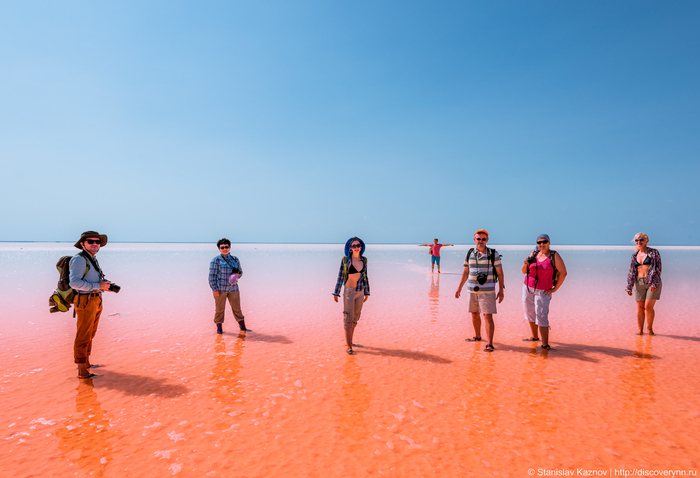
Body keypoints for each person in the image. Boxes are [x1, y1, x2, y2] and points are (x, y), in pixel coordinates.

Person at [69, 231, 116, 379]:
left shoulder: (91, 258)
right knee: (83, 336)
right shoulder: (79, 259)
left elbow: (91, 280)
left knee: (91, 333)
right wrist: (97, 285)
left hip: (95, 298)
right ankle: (82, 372)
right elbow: (74, 282)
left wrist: (103, 285)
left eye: (97, 241)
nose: (95, 244)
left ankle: (87, 363)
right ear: (82, 244)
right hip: (85, 300)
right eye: (91, 241)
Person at [455, 230, 504, 352]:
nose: (480, 241)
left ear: (487, 240)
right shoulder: (470, 253)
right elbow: (466, 272)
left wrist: (501, 291)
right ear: (474, 240)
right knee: (474, 313)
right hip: (472, 289)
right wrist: (459, 287)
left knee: (488, 316)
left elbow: (500, 273)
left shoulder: (493, 253)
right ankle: (477, 336)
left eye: (483, 239)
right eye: (478, 239)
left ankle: (490, 343)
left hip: (488, 290)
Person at [521, 234, 568, 350]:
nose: (542, 244)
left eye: (544, 242)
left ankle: (545, 345)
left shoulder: (554, 255)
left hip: (543, 290)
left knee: (541, 315)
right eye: (539, 242)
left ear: (549, 242)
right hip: (528, 287)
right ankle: (534, 337)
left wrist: (555, 288)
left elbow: (563, 273)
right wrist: (525, 263)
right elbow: (523, 271)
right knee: (530, 313)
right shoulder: (534, 254)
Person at [333, 237, 370, 355]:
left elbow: (365, 277)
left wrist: (367, 292)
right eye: (353, 246)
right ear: (350, 247)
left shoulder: (364, 260)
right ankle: (348, 346)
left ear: (361, 246)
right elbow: (340, 276)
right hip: (349, 291)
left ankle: (351, 341)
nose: (356, 247)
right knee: (348, 318)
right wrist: (336, 292)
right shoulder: (345, 260)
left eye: (358, 245)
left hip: (360, 291)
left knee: (355, 317)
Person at [209, 238, 248, 334]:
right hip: (220, 289)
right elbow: (211, 276)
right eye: (222, 247)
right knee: (219, 310)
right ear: (219, 249)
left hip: (234, 289)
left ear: (230, 247)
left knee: (237, 309)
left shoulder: (235, 259)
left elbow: (241, 272)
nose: (224, 249)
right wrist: (214, 289)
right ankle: (219, 330)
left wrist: (237, 275)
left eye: (226, 247)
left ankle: (243, 329)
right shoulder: (216, 260)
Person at [626, 233, 662, 335]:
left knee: (648, 307)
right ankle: (640, 331)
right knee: (640, 308)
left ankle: (650, 329)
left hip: (652, 282)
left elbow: (658, 269)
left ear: (647, 240)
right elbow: (632, 271)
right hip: (639, 282)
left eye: (641, 240)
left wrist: (655, 284)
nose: (639, 242)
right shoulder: (634, 255)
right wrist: (629, 286)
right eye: (636, 240)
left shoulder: (654, 253)